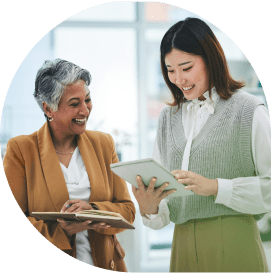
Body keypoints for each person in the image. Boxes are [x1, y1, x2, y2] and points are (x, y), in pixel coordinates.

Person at [132, 17, 271, 272]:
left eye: (186, 67)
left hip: (234, 240)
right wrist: (150, 207)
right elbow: (165, 200)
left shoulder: (249, 110)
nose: (178, 79)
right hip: (182, 245)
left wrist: (216, 187)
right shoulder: (167, 118)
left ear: (210, 59)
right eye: (170, 70)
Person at [3, 59, 135, 272]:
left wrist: (94, 211)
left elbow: (127, 210)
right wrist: (63, 230)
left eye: (88, 100)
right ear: (48, 108)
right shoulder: (21, 150)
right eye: (74, 104)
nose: (85, 110)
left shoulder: (103, 143)